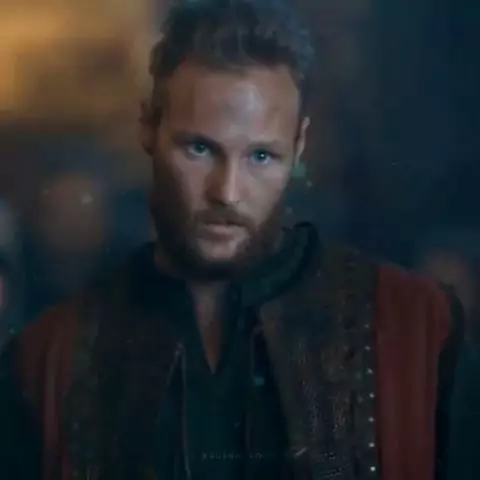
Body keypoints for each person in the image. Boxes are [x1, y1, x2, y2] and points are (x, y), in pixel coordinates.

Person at [0, 1, 464, 479]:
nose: (227, 192)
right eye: (200, 148)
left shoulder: (420, 330)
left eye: (261, 156)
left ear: (298, 146)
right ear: (148, 128)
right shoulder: (49, 359)